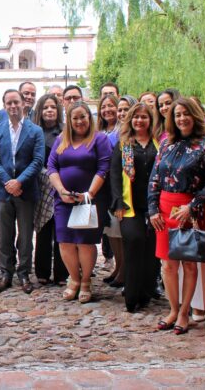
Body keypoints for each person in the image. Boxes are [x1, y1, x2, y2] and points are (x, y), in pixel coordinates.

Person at [148, 98, 205, 335]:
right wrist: (153, 210)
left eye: (186, 114)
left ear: (195, 116)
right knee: (168, 265)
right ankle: (173, 309)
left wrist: (193, 206)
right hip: (164, 209)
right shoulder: (166, 144)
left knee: (188, 264)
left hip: (188, 211)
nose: (182, 118)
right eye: (177, 115)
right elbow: (154, 179)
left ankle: (184, 312)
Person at [48, 101, 112, 303]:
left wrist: (89, 193)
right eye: (74, 118)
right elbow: (52, 167)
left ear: (89, 117)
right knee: (65, 241)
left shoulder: (99, 139)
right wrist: (61, 190)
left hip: (89, 200)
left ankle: (86, 281)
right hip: (64, 199)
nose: (79, 121)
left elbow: (104, 168)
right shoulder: (61, 139)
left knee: (84, 241)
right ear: (69, 120)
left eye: (82, 117)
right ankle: (74, 279)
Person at [0, 89, 45, 294]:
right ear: (4, 106)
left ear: (23, 104)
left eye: (16, 102)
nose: (13, 106)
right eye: (9, 103)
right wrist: (8, 182)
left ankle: (24, 273)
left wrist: (19, 182)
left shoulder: (35, 131)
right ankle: (6, 273)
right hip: (2, 191)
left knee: (25, 235)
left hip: (26, 191)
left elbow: (38, 160)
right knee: (4, 235)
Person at [111, 102, 159, 312]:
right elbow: (114, 174)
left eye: (144, 117)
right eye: (136, 117)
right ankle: (131, 297)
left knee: (151, 250)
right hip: (130, 205)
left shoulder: (159, 144)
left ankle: (146, 293)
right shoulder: (124, 145)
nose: (139, 120)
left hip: (155, 206)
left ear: (150, 120)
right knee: (134, 242)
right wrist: (118, 202)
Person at [31, 94, 68, 287]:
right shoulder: (34, 131)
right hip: (41, 185)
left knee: (61, 229)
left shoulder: (66, 131)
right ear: (40, 110)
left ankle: (62, 272)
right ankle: (42, 271)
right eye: (45, 107)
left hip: (63, 184)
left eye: (53, 107)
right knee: (43, 229)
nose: (49, 110)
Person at [97, 93, 122, 285]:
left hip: (117, 186)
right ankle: (118, 267)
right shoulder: (99, 131)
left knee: (119, 230)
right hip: (102, 188)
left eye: (111, 106)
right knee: (110, 231)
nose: (107, 110)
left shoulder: (122, 131)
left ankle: (124, 269)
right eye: (103, 107)